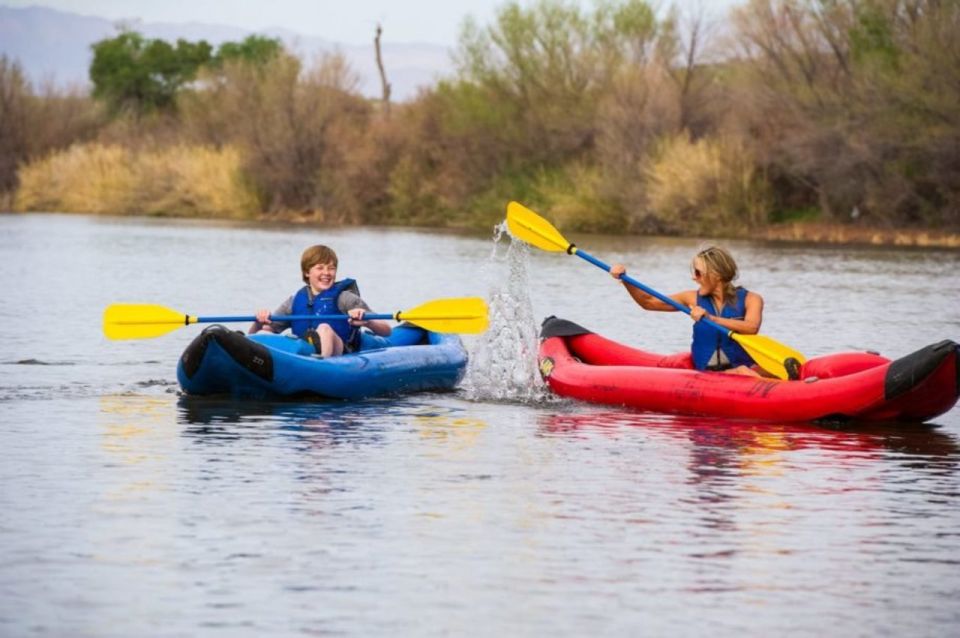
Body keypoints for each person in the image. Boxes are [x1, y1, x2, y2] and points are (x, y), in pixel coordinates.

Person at [610, 246, 764, 376]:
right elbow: (648, 302)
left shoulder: (752, 299)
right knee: (743, 371)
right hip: (712, 375)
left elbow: (751, 327)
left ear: (716, 275)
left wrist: (711, 319)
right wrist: (625, 279)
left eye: (698, 273)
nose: (694, 278)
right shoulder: (691, 298)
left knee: (758, 369)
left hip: (745, 369)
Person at [250, 244, 391, 357]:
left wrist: (368, 320)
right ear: (307, 272)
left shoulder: (345, 298)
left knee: (324, 328)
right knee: (263, 332)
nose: (327, 273)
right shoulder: (293, 302)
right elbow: (261, 332)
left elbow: (386, 330)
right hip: (303, 352)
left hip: (340, 352)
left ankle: (322, 361)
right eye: (320, 268)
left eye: (331, 268)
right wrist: (258, 322)